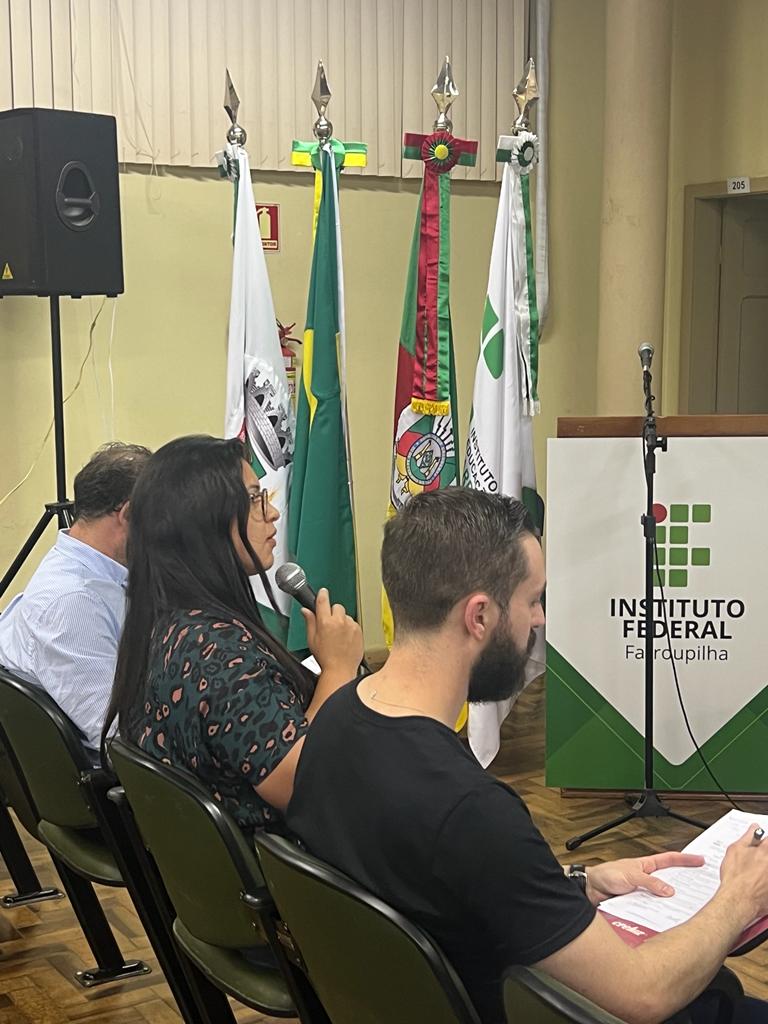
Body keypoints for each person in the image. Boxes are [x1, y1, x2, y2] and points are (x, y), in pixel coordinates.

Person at [287, 488, 768, 1024]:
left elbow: (439, 881)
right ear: (479, 616)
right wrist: (740, 896)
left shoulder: (332, 722)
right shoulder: (470, 808)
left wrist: (578, 882)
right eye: (533, 599)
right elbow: (643, 994)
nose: (539, 619)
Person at [102, 434, 363, 832]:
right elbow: (299, 780)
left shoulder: (173, 622)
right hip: (290, 856)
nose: (272, 512)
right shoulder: (217, 653)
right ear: (205, 522)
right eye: (255, 498)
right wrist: (339, 670)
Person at [0, 442, 151, 755]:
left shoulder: (88, 569)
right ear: (128, 514)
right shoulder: (73, 602)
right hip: (113, 770)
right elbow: (118, 734)